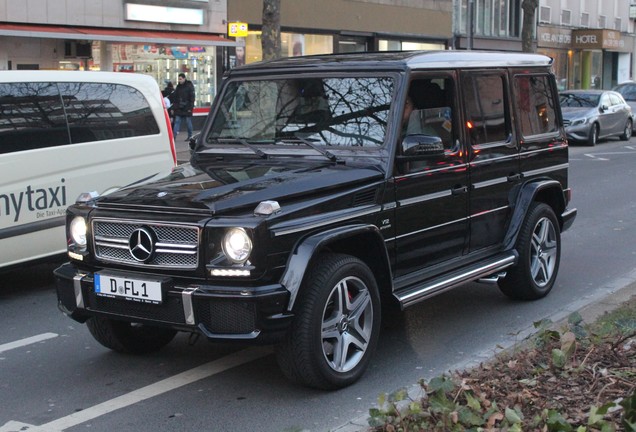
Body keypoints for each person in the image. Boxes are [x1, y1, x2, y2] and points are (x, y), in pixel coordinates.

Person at [169, 73, 195, 140]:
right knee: (177, 121)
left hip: (187, 107)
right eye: (179, 79)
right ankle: (173, 137)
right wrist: (173, 107)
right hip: (179, 107)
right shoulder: (178, 87)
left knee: (188, 122)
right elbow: (175, 97)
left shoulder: (189, 86)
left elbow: (192, 98)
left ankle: (190, 136)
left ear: (184, 78)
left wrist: (190, 108)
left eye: (180, 79)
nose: (179, 80)